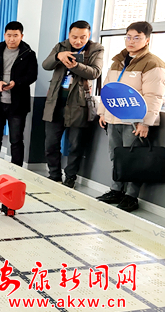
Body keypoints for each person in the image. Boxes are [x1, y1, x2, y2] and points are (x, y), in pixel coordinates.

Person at [96, 21, 165, 212]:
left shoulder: (152, 63)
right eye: (128, 37)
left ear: (147, 40)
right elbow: (107, 89)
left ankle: (131, 196)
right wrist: (103, 112)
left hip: (135, 121)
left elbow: (154, 96)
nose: (131, 41)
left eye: (137, 37)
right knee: (116, 156)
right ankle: (116, 190)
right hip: (114, 118)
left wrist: (145, 122)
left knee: (133, 159)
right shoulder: (118, 61)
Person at [42, 20, 103, 188]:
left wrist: (75, 65)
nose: (78, 41)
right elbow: (46, 65)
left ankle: (70, 178)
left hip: (79, 103)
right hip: (55, 102)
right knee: (51, 143)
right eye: (74, 37)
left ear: (88, 35)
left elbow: (95, 72)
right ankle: (54, 175)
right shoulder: (61, 46)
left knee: (75, 145)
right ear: (69, 35)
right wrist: (58, 56)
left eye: (83, 37)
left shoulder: (96, 49)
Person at [0, 21, 38, 167]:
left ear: (21, 36)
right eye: (9, 35)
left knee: (16, 139)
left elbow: (32, 76)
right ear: (4, 35)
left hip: (18, 104)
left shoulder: (28, 54)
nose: (11, 39)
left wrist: (16, 83)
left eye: (15, 35)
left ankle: (16, 169)